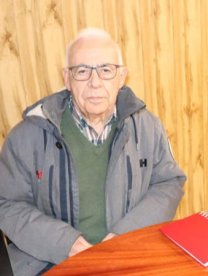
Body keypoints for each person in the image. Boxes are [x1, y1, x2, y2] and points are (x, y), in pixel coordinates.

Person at [0, 28, 186, 275]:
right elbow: (7, 203)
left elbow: (169, 183)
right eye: (82, 71)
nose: (95, 82)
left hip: (131, 254)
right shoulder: (26, 136)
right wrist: (66, 244)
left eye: (106, 70)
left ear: (121, 77)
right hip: (52, 261)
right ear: (67, 78)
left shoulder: (148, 126)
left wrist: (123, 237)